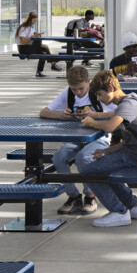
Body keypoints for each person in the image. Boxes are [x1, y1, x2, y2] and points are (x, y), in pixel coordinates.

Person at [76, 71, 137, 228]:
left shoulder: (127, 106)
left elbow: (109, 126)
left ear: (110, 88)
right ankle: (134, 206)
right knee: (103, 167)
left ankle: (119, 212)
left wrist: (91, 122)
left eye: (99, 94)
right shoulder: (132, 98)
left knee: (89, 171)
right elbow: (130, 139)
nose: (98, 99)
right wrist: (106, 151)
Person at [39, 65, 108, 215]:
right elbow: (44, 112)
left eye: (81, 89)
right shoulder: (67, 94)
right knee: (58, 157)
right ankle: (73, 196)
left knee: (84, 158)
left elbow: (116, 114)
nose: (77, 92)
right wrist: (60, 115)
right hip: (75, 137)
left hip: (98, 137)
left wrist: (94, 116)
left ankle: (90, 195)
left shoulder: (98, 93)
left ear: (88, 82)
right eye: (74, 89)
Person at [15, 11, 54, 76]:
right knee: (42, 45)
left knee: (44, 50)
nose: (34, 22)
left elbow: (30, 39)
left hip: (29, 47)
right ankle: (53, 64)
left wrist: (36, 35)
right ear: (30, 20)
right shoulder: (23, 28)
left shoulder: (30, 28)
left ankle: (40, 71)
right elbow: (23, 42)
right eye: (34, 20)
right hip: (23, 49)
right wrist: (33, 37)